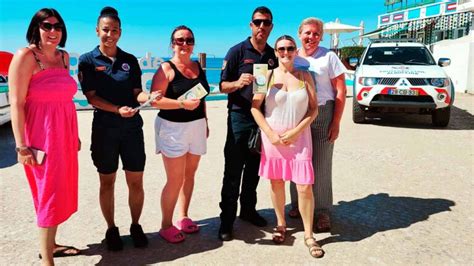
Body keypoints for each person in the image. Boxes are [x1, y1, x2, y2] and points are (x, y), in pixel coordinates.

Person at [78, 7, 154, 251]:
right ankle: (111, 228)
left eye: (114, 30)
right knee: (107, 182)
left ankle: (135, 225)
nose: (109, 35)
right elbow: (91, 98)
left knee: (136, 181)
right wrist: (117, 110)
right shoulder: (87, 60)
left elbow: (136, 92)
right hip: (104, 128)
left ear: (120, 32)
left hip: (132, 128)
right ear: (97, 31)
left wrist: (148, 96)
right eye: (105, 30)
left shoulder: (129, 60)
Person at [9, 8, 81, 264]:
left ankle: (51, 245)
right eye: (46, 26)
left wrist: (75, 135)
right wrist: (21, 146)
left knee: (60, 191)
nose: (53, 31)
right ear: (36, 28)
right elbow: (16, 103)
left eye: (57, 26)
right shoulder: (25, 56)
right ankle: (47, 260)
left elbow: (65, 99)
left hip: (65, 135)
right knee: (48, 193)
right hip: (41, 136)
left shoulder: (63, 57)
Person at [251, 35, 323, 258]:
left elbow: (313, 109)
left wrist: (296, 131)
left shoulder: (306, 75)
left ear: (295, 51)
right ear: (275, 51)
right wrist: (270, 134)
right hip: (273, 138)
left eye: (290, 48)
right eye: (281, 48)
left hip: (299, 138)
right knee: (276, 182)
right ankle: (281, 225)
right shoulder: (264, 75)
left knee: (304, 187)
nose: (286, 52)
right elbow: (255, 108)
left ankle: (309, 234)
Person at [217, 6, 278, 241]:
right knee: (233, 171)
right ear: (251, 25)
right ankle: (226, 221)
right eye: (257, 22)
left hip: (263, 119)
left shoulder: (273, 55)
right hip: (239, 117)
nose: (261, 26)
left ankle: (248, 211)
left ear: (271, 26)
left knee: (254, 170)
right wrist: (238, 82)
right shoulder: (236, 51)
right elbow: (221, 86)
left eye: (266, 23)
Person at [150, 25, 210, 243]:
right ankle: (165, 225)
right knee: (174, 179)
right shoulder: (166, 69)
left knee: (190, 175)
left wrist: (205, 122)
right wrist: (181, 103)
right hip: (172, 128)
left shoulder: (197, 66)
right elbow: (155, 101)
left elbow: (201, 97)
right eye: (179, 40)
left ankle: (183, 216)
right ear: (172, 43)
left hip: (197, 126)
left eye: (189, 40)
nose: (184, 44)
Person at [289, 17, 347, 232]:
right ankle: (296, 204)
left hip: (323, 113)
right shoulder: (292, 57)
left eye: (315, 34)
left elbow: (340, 90)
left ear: (321, 36)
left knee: (321, 163)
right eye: (307, 33)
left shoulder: (329, 57)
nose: (311, 37)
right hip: (298, 115)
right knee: (298, 161)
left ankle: (321, 211)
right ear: (299, 34)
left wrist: (336, 122)